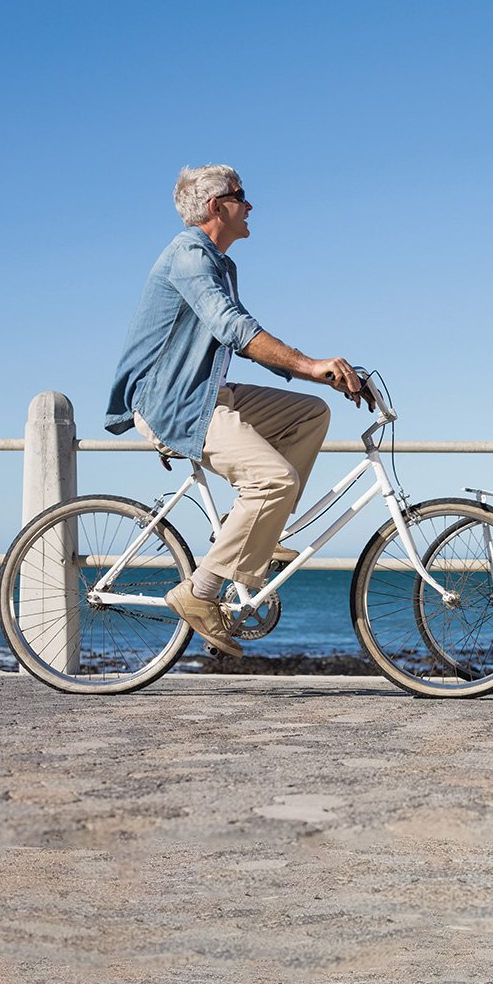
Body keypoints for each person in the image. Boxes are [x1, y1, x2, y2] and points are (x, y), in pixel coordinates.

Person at [105, 164, 365, 658]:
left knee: (310, 414)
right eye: (241, 196)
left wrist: (322, 378)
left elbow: (242, 341)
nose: (250, 205)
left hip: (207, 393)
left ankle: (255, 533)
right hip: (173, 402)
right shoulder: (188, 255)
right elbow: (234, 329)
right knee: (274, 480)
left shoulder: (221, 265)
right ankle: (199, 592)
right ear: (215, 206)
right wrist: (312, 364)